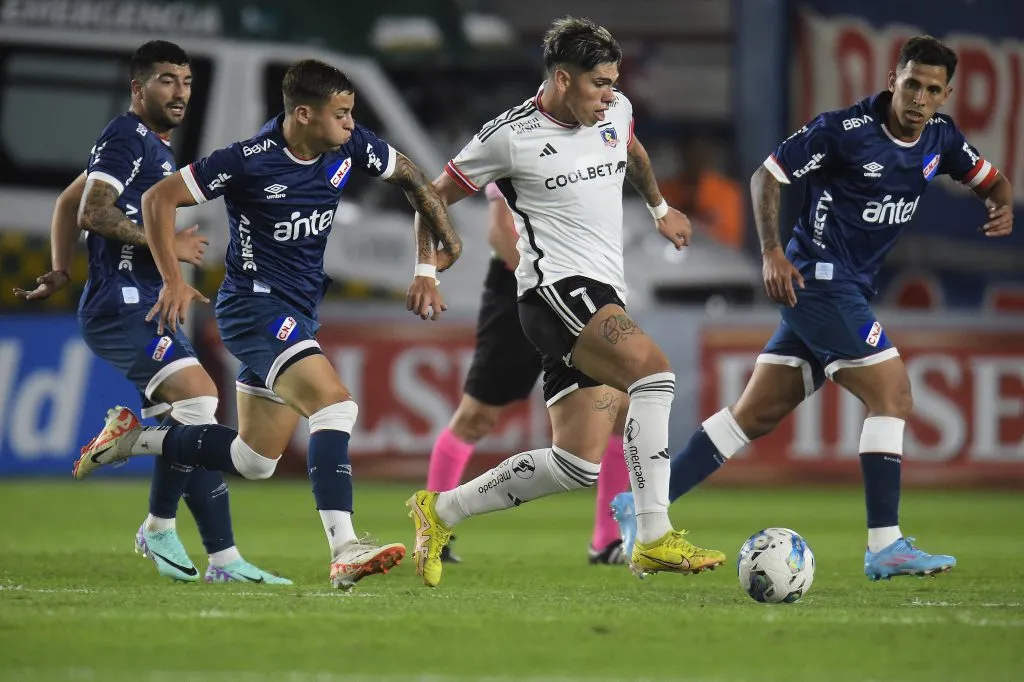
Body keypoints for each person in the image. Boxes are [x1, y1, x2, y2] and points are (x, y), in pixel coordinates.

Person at [612, 35, 1014, 581]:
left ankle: (639, 504)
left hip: (844, 290)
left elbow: (993, 181)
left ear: (945, 95)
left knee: (754, 415)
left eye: (932, 89)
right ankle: (885, 545)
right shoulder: (843, 131)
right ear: (892, 80)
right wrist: (771, 251)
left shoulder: (941, 140)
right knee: (893, 394)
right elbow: (767, 175)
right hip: (819, 282)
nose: (919, 98)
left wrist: (999, 204)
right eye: (912, 84)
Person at [71, 58, 461, 590]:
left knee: (253, 460)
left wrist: (430, 264)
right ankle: (345, 549)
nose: (351, 123)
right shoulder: (248, 160)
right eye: (341, 114)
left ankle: (133, 440)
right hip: (253, 309)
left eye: (351, 113)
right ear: (303, 114)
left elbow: (414, 178)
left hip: (298, 311)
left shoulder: (350, 145)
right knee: (335, 405)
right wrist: (172, 279)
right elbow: (158, 198)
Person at [405, 16, 726, 588]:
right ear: (561, 78)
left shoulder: (615, 111)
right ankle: (654, 536)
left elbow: (632, 150)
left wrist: (659, 208)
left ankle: (442, 510)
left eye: (614, 82)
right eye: (599, 83)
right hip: (556, 292)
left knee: (576, 462)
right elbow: (431, 195)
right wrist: (425, 269)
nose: (610, 95)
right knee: (655, 377)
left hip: (598, 294)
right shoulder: (510, 136)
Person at [15, 40, 289, 585]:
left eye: (186, 81)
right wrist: (166, 245)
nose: (180, 91)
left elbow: (69, 202)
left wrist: (61, 268)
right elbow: (94, 212)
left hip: (144, 305)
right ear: (137, 88)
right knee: (201, 399)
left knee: (191, 423)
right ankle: (155, 515)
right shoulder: (126, 137)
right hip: (120, 306)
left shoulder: (151, 147)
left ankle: (223, 560)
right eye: (167, 80)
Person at [427, 182, 632, 565]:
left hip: (579, 291)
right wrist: (543, 285)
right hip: (523, 294)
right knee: (476, 417)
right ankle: (434, 528)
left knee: (619, 408)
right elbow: (501, 233)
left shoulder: (583, 156)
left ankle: (607, 541)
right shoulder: (515, 150)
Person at [659, 136, 744, 249]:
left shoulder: (728, 193)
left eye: (700, 156)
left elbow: (730, 240)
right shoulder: (665, 190)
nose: (695, 161)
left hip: (713, 254)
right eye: (690, 156)